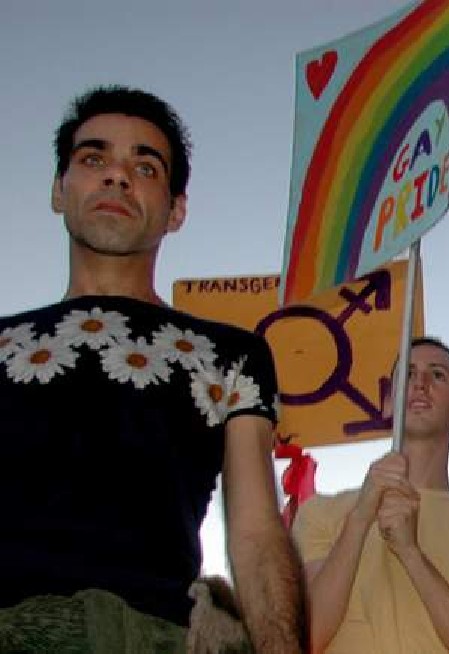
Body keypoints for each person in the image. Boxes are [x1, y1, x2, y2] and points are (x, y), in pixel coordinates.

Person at [0, 86, 304, 652]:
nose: (117, 177)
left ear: (176, 209)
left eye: (145, 166)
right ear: (58, 190)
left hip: (156, 636)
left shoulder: (232, 356)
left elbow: (257, 534)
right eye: (94, 159)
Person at [292, 337, 449, 653]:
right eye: (408, 375)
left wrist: (410, 552)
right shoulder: (318, 513)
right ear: (388, 402)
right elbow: (306, 639)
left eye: (438, 374)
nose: (420, 383)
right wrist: (360, 520)